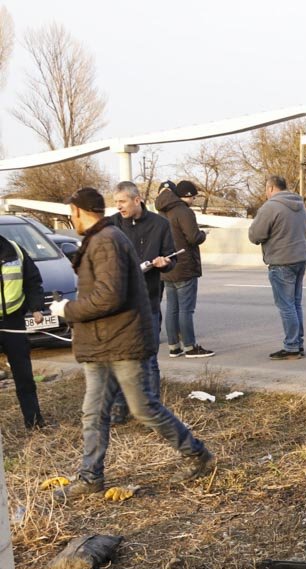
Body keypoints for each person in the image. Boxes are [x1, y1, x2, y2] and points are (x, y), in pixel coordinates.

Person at [49, 187, 215, 502]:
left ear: (83, 212)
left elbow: (109, 296)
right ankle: (90, 476)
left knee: (143, 407)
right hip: (103, 343)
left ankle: (197, 455)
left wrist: (68, 310)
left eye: (72, 215)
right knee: (94, 412)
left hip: (122, 340)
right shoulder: (104, 237)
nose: (71, 221)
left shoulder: (106, 241)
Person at [108, 181, 176, 424]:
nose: (119, 207)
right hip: (120, 303)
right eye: (116, 202)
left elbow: (172, 256)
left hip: (148, 300)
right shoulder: (112, 225)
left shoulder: (160, 225)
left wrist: (165, 263)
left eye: (122, 202)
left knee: (149, 357)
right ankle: (119, 407)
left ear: (137, 200)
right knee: (119, 356)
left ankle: (152, 409)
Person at [248, 175, 306, 359]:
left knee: (286, 306)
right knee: (295, 304)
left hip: (281, 261)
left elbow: (255, 235)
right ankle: (298, 343)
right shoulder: (300, 205)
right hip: (300, 258)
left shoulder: (270, 207)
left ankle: (291, 347)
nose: (266, 193)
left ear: (271, 188)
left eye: (267, 190)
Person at [155, 180, 213, 358]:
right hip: (184, 266)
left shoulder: (160, 212)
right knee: (186, 310)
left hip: (167, 266)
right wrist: (204, 234)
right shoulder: (184, 212)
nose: (194, 200)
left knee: (172, 309)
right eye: (194, 196)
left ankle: (174, 346)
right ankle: (190, 346)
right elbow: (193, 237)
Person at [0, 235, 47, 430]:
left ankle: (34, 422)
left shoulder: (15, 250)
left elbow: (32, 281)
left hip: (13, 321)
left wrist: (36, 307)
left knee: (24, 375)